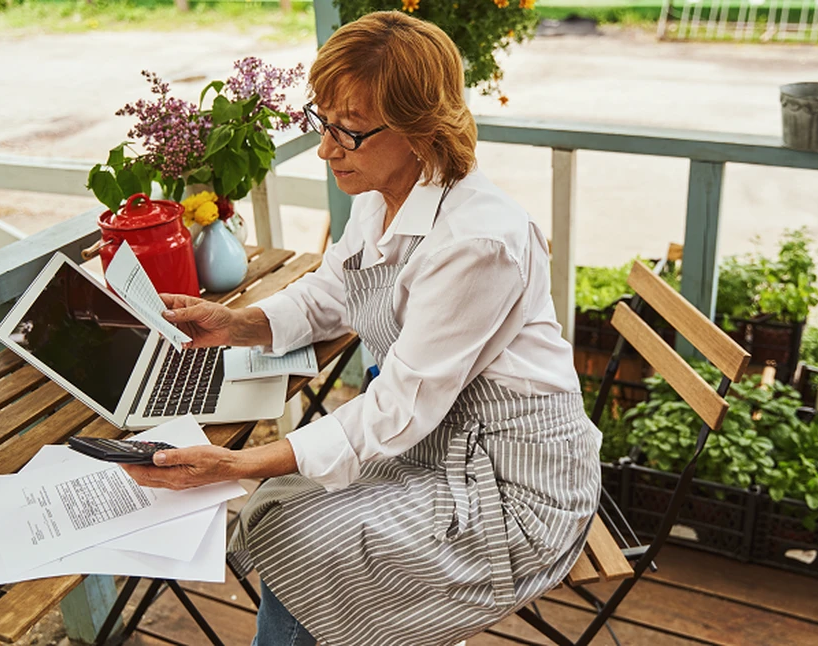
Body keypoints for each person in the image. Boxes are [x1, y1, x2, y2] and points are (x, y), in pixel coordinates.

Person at [123, 10, 602, 646]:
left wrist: (239, 462)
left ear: (420, 128)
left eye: (347, 132)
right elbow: (336, 289)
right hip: (437, 440)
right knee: (282, 506)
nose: (326, 150)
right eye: (324, 123)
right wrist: (237, 323)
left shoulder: (478, 242)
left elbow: (398, 406)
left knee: (298, 530)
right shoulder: (382, 188)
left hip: (511, 484)